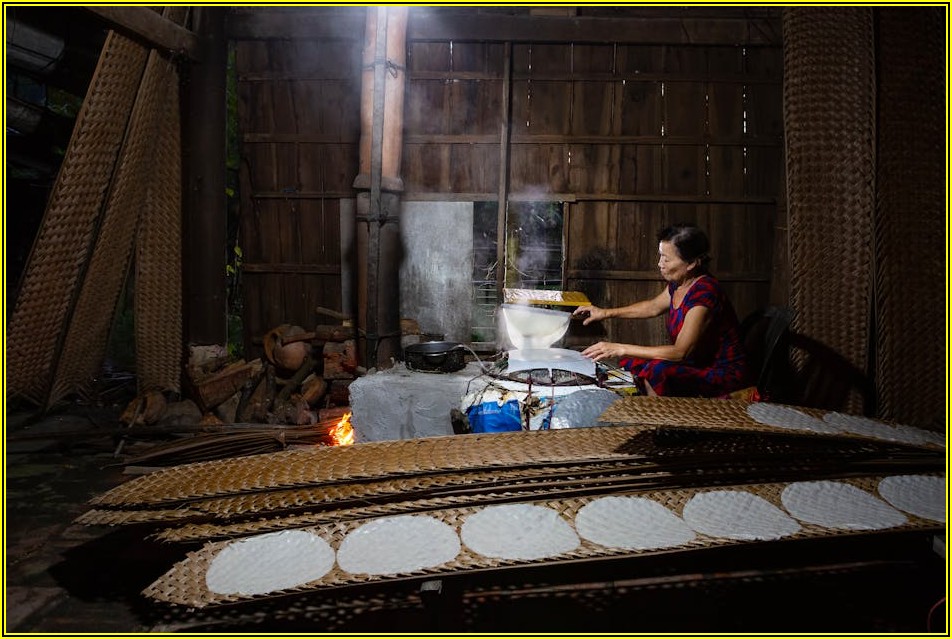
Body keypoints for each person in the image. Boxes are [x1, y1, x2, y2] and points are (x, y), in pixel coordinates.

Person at [574, 223, 748, 397]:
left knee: (658, 369)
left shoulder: (705, 293)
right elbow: (653, 307)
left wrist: (620, 348)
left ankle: (654, 419)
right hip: (696, 363)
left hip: (722, 372)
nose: (660, 264)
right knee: (634, 362)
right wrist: (604, 313)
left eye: (667, 259)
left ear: (692, 263)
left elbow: (680, 352)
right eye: (660, 256)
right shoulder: (679, 284)